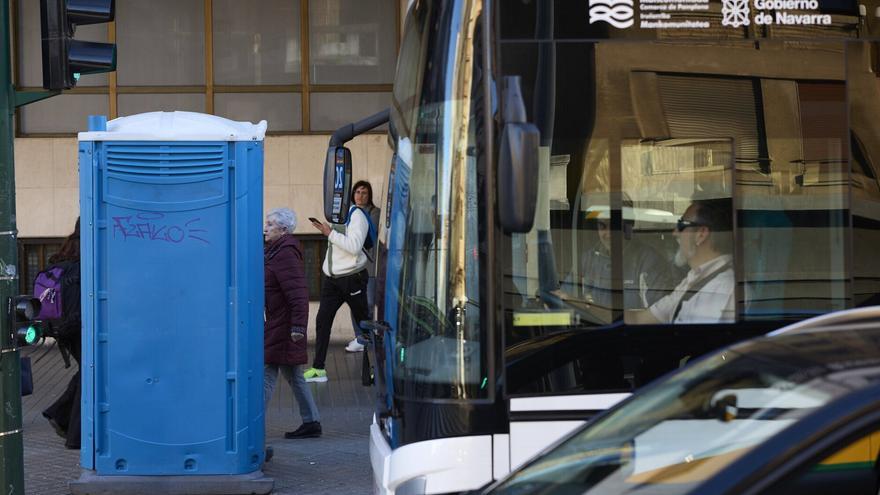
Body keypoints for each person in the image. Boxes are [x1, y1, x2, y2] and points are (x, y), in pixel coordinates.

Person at [263, 208, 321, 448]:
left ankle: (253, 425)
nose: (265, 228)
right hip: (280, 323)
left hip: (283, 326)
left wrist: (298, 327)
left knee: (266, 372)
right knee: (294, 375)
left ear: (284, 229)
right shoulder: (275, 250)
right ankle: (312, 421)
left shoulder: (285, 253)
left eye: (270, 224)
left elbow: (298, 294)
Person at [628, 198, 734, 324]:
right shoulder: (694, 278)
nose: (675, 233)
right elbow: (640, 319)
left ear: (701, 234)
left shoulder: (726, 289)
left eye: (681, 225)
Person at [305, 196, 372, 382]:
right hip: (332, 281)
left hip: (353, 278)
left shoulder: (357, 215)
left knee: (364, 324)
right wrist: (329, 232)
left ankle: (380, 366)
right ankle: (318, 368)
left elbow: (354, 247)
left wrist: (330, 233)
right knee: (322, 321)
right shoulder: (337, 218)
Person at [580, 207, 676, 310]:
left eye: (615, 226)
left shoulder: (649, 262)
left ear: (628, 227)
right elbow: (572, 297)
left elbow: (658, 313)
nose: (609, 234)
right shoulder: (588, 259)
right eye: (602, 227)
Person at [41, 218, 82, 449]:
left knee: (86, 373)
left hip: (63, 331)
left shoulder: (60, 260)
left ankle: (59, 415)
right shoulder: (86, 260)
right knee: (89, 375)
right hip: (79, 328)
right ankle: (73, 434)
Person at [345, 180, 381, 353]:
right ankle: (359, 337)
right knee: (355, 303)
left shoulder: (374, 212)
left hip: (369, 267)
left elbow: (363, 235)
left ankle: (368, 338)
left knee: (368, 303)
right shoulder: (349, 212)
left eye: (364, 192)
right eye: (357, 192)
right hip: (352, 266)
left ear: (369, 195)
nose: (360, 195)